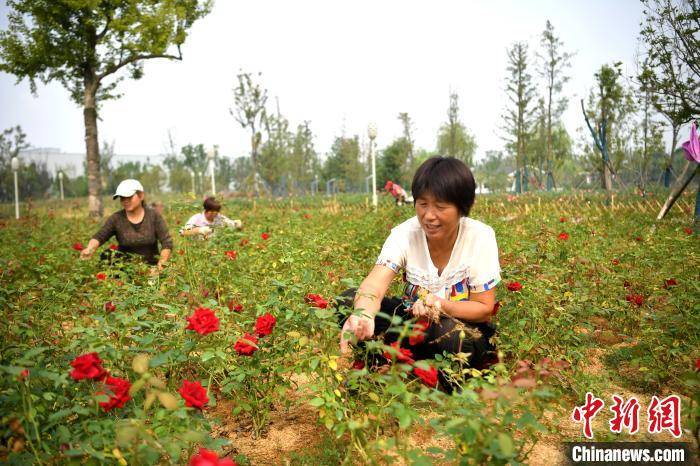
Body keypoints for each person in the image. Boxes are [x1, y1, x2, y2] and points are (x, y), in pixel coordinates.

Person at [339, 157, 501, 388]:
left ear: (462, 207)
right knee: (347, 301)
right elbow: (374, 284)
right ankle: (378, 364)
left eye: (441, 206)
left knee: (456, 337)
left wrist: (441, 305)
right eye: (423, 204)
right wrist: (363, 314)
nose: (429, 215)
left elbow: (484, 308)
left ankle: (436, 378)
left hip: (458, 324)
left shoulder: (479, 237)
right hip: (412, 322)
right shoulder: (404, 234)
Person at [80, 179, 173, 269]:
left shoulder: (153, 216)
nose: (125, 200)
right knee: (106, 255)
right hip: (125, 271)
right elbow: (100, 236)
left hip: (151, 269)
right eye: (122, 198)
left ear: (141, 195)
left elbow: (167, 243)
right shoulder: (116, 219)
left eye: (129, 197)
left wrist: (159, 268)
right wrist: (89, 249)